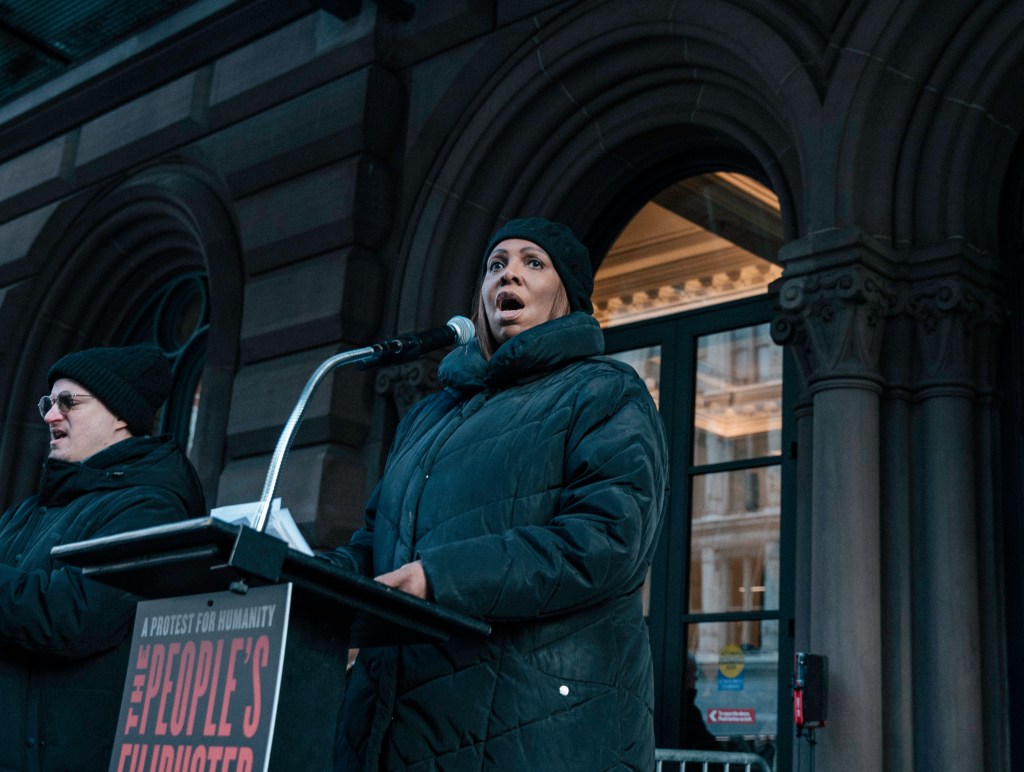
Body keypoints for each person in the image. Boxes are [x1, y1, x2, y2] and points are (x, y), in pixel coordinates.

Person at [322, 217, 668, 771]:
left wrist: (440, 578)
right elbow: (376, 543)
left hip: (537, 732)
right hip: (395, 725)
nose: (510, 275)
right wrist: (302, 573)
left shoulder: (604, 391)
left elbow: (605, 541)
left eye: (533, 262)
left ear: (566, 294)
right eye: (496, 264)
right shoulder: (428, 415)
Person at [0, 344, 206, 771]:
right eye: (48, 403)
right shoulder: (28, 512)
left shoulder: (150, 509)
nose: (50, 415)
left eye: (68, 402)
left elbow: (72, 616)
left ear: (120, 416)